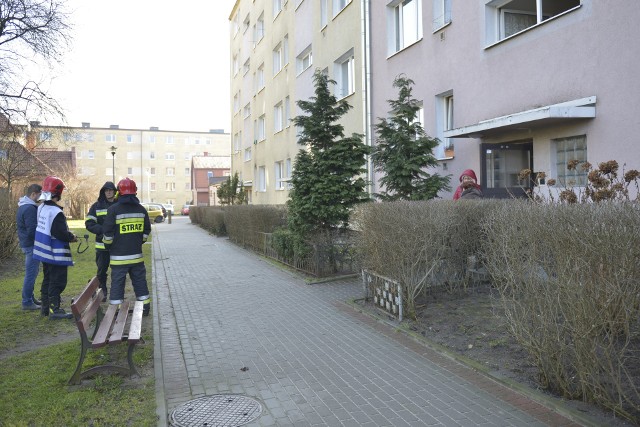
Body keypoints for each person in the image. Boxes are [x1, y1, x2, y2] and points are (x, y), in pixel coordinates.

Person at [102, 178, 152, 316]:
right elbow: (146, 230)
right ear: (135, 192)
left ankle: (114, 311)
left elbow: (107, 232)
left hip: (119, 258)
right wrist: (138, 242)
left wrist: (108, 245)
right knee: (140, 282)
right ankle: (145, 308)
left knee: (117, 284)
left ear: (119, 192)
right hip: (137, 257)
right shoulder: (141, 210)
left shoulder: (113, 210)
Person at [33, 176, 77, 320]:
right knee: (57, 281)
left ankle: (45, 309)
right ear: (58, 192)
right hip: (55, 253)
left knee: (47, 279)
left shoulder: (41, 208)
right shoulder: (56, 212)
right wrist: (71, 237)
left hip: (44, 252)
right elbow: (59, 233)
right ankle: (55, 310)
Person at [85, 181, 118, 302]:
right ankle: (102, 291)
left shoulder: (119, 204)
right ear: (103, 192)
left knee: (117, 271)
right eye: (106, 190)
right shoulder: (96, 206)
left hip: (117, 245)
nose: (108, 192)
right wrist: (102, 230)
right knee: (102, 271)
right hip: (102, 246)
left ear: (114, 192)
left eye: (110, 190)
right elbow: (89, 223)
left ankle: (116, 293)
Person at [16, 183, 43, 310]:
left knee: (32, 272)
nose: (39, 198)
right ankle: (26, 301)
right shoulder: (29, 208)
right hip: (31, 245)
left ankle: (30, 297)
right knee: (31, 273)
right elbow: (32, 230)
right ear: (33, 194)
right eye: (39, 195)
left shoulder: (23, 206)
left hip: (27, 244)